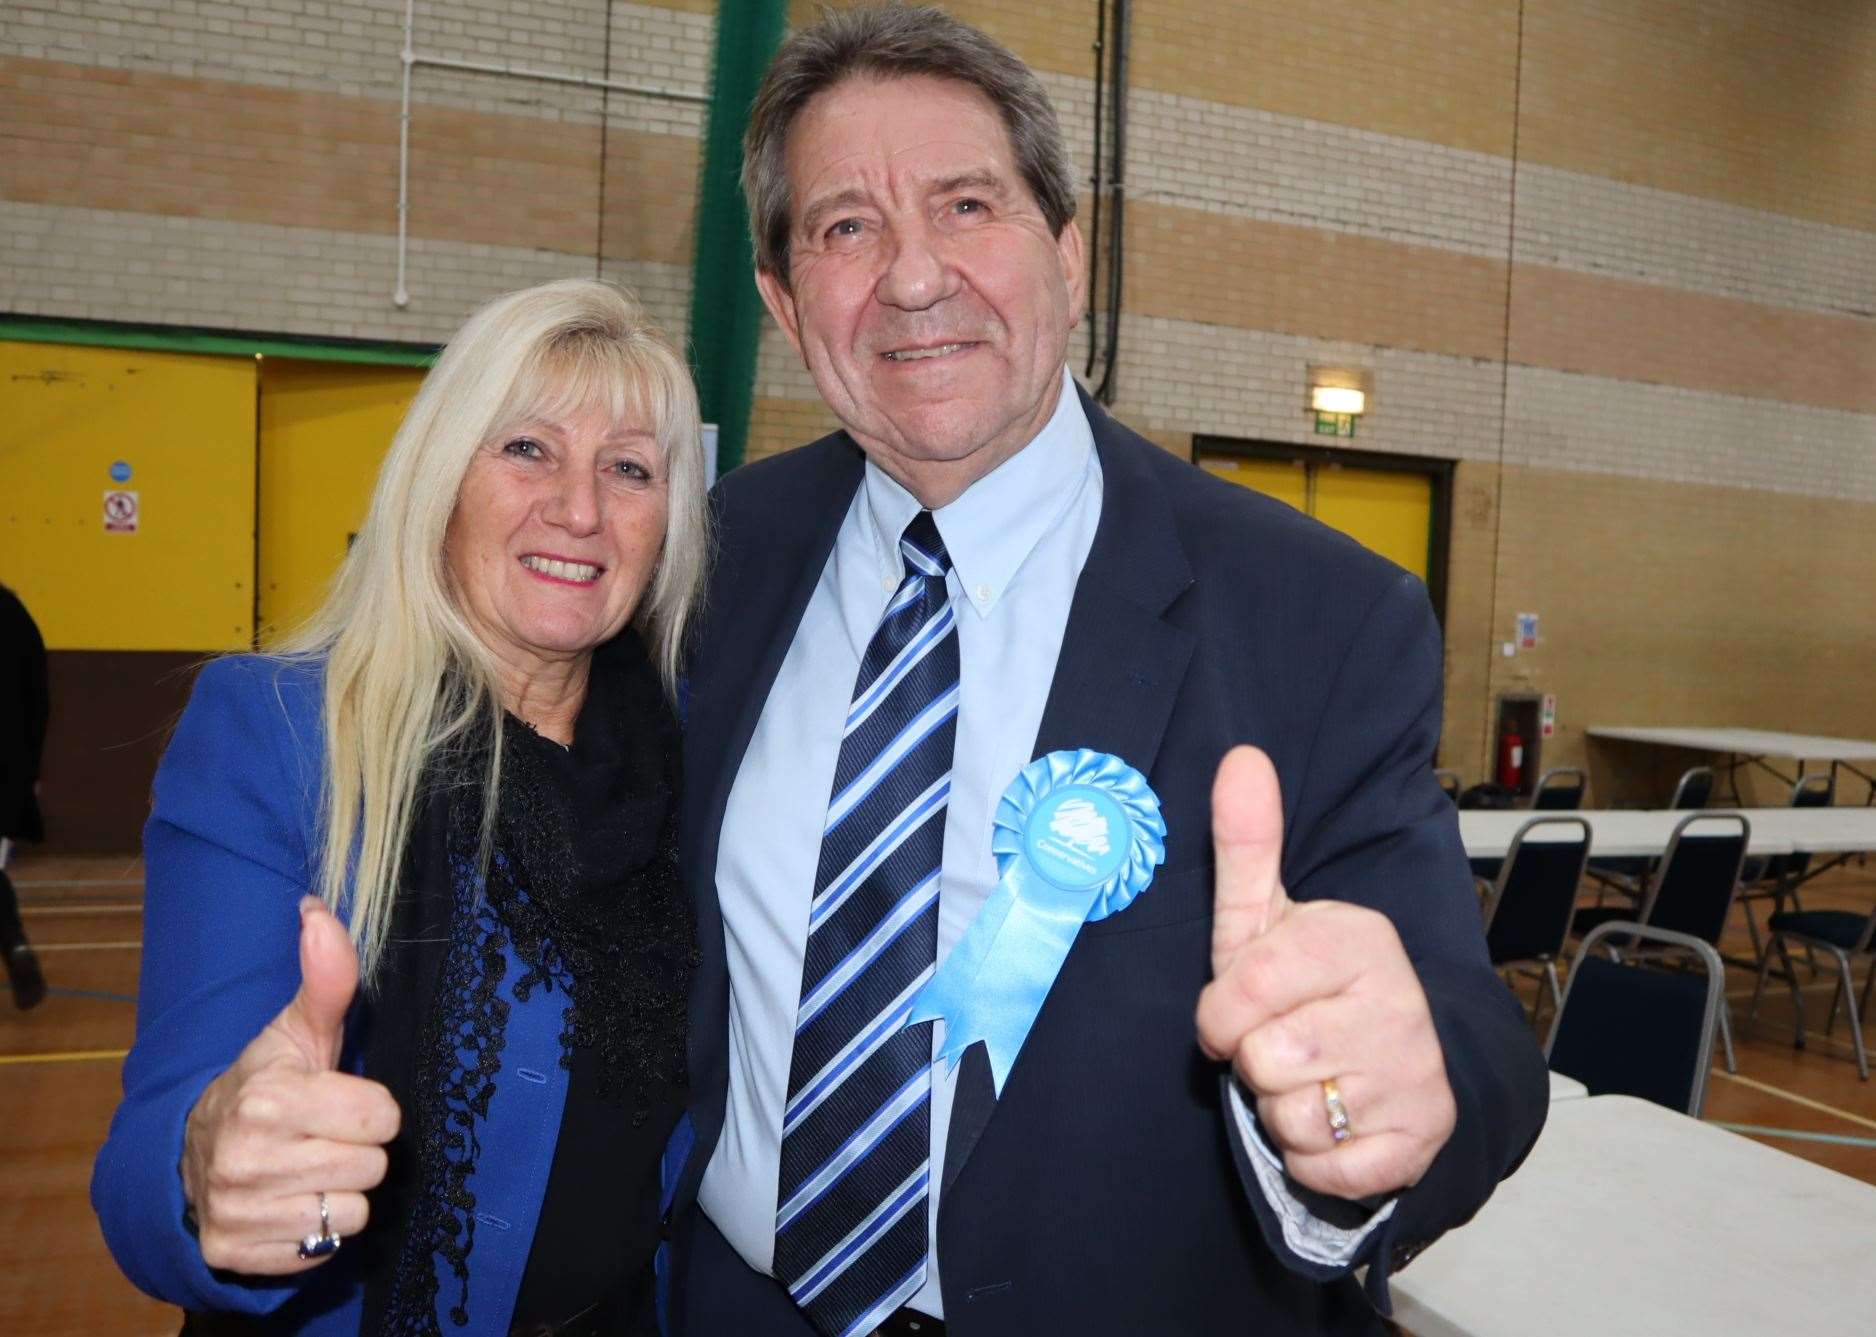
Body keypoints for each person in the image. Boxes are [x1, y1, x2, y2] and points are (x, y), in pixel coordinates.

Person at [668, 8, 1549, 1336]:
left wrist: (1369, 1105)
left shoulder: (1321, 617)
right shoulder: (709, 561)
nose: (913, 277)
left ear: (1068, 256)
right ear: (788, 307)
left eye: (967, 205)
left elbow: (1463, 1040)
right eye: (846, 227)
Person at [92, 279, 709, 1335]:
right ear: (439, 479)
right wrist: (210, 1172)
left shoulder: (697, 746)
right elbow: (153, 1152)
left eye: (630, 468)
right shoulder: (281, 732)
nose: (579, 508)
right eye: (526, 448)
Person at [0, 582, 49, 1011]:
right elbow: (40, 698)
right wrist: (30, 771)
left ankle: (14, 943)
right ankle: (14, 945)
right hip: (8, 773)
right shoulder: (15, 615)